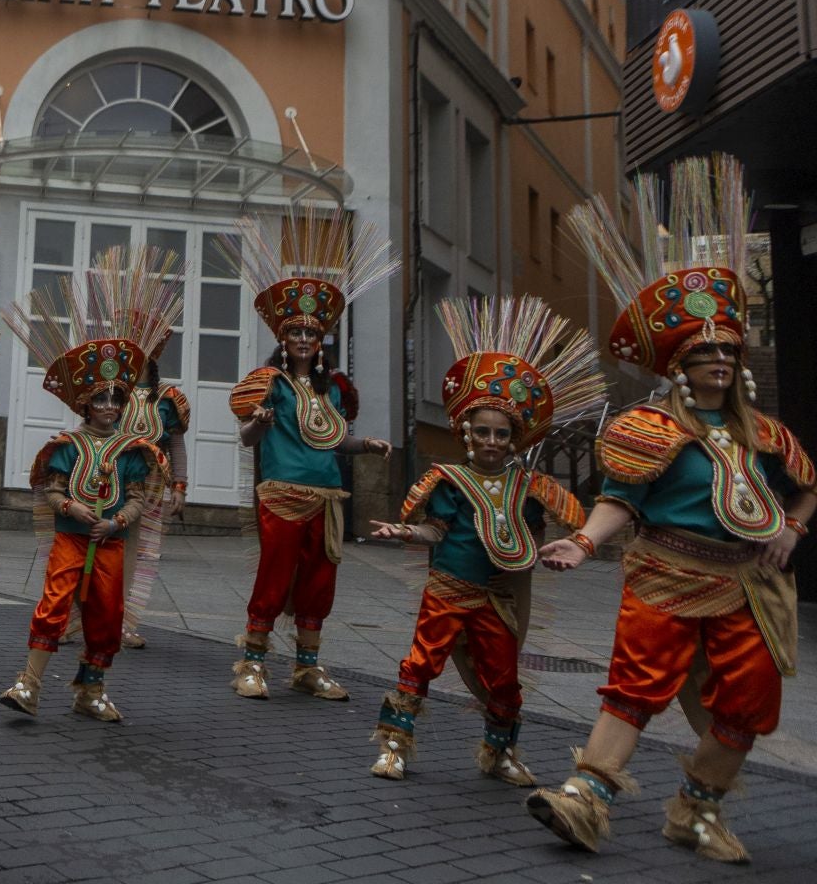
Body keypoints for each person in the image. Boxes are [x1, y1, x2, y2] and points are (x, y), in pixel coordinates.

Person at [526, 155, 815, 865]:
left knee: (749, 702)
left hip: (747, 584)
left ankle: (698, 809)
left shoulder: (764, 435)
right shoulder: (645, 429)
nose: (717, 357)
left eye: (726, 347)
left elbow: (807, 482)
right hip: (666, 573)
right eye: (702, 349)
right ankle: (585, 799)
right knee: (635, 686)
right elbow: (618, 500)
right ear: (679, 364)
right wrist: (583, 545)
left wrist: (791, 527)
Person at [365, 295, 599, 785]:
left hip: (497, 596)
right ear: (467, 435)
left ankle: (500, 753)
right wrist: (404, 531)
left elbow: (529, 538)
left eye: (501, 433)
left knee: (505, 679)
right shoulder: (447, 480)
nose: (492, 441)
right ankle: (393, 746)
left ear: (513, 438)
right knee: (420, 666)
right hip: (449, 588)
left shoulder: (530, 487)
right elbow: (436, 530)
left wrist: (546, 555)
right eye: (483, 432)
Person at [226, 210, 397, 702]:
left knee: (320, 582)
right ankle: (252, 663)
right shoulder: (270, 385)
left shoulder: (334, 390)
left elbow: (332, 441)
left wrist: (366, 445)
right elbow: (248, 439)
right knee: (274, 576)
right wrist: (258, 420)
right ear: (282, 338)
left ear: (322, 340)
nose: (304, 339)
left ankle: (307, 666)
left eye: (312, 332)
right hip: (281, 494)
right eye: (295, 332)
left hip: (327, 497)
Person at [0, 317, 163, 723]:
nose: (109, 407)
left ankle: (91, 690)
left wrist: (116, 522)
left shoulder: (132, 451)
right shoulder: (67, 446)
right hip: (70, 539)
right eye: (100, 399)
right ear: (85, 403)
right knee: (53, 604)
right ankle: (29, 684)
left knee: (107, 615)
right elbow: (51, 489)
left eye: (116, 400)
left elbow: (140, 498)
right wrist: (71, 507)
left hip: (110, 543)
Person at [117, 328, 189, 649]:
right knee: (97, 548)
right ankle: (81, 619)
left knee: (140, 555)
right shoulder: (111, 390)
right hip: (111, 480)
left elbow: (176, 445)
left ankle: (124, 624)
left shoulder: (168, 398)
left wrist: (180, 487)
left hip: (151, 485)